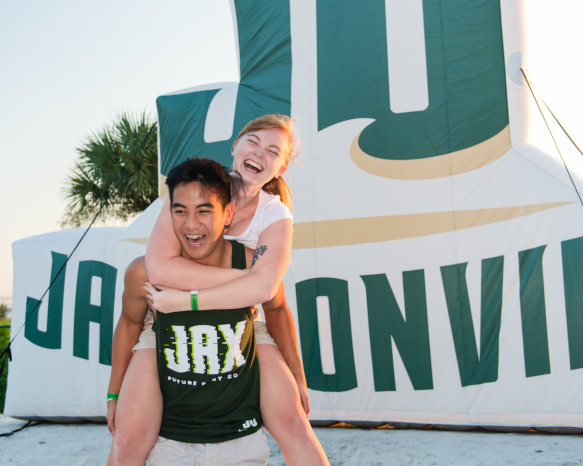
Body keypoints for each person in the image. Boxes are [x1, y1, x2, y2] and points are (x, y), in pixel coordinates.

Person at [107, 115, 329, 465]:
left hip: (242, 323)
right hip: (165, 318)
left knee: (295, 425)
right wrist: (246, 278)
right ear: (235, 147)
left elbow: (273, 300)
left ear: (281, 168)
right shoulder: (197, 186)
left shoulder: (275, 215)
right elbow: (160, 269)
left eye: (273, 150)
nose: (259, 153)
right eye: (253, 142)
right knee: (127, 440)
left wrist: (297, 376)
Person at [115, 158, 269, 464]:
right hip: (170, 442)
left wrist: (297, 374)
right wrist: (113, 395)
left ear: (228, 214)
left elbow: (277, 310)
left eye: (204, 210)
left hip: (238, 440)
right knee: (124, 446)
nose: (191, 224)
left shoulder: (253, 263)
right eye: (180, 210)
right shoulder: (143, 272)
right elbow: (129, 324)